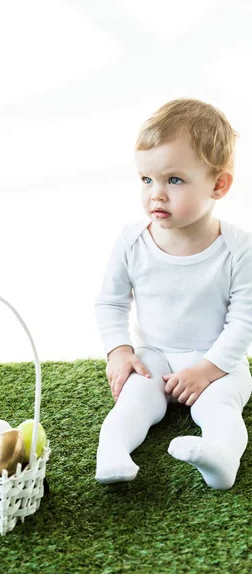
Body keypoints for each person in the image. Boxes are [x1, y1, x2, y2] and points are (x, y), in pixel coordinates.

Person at [94, 97, 252, 490]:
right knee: (134, 400)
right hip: (155, 355)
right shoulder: (132, 241)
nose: (156, 195)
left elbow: (245, 319)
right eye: (146, 180)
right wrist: (119, 351)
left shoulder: (239, 249)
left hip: (218, 359)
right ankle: (112, 452)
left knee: (221, 405)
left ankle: (221, 458)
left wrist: (209, 369)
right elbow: (111, 301)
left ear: (219, 184)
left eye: (174, 180)